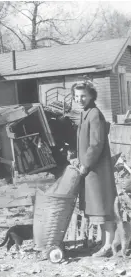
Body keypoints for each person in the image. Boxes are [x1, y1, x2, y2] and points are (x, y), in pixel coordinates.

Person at [71, 81, 117, 257]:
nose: (79, 99)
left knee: (103, 206)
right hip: (90, 170)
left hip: (97, 169)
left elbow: (96, 144)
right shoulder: (85, 113)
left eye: (83, 95)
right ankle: (104, 242)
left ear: (91, 95)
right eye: (76, 96)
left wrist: (86, 164)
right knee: (97, 206)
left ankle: (109, 245)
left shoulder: (95, 114)